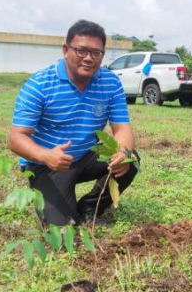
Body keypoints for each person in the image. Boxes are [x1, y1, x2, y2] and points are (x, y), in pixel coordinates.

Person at [8, 20, 138, 226]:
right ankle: (60, 205)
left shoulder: (110, 82)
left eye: (96, 53)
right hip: (49, 164)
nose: (88, 58)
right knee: (62, 227)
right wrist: (45, 155)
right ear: (66, 50)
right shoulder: (40, 84)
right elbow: (16, 138)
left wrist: (123, 153)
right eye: (81, 51)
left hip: (87, 155)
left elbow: (122, 129)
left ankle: (90, 207)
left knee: (130, 160)